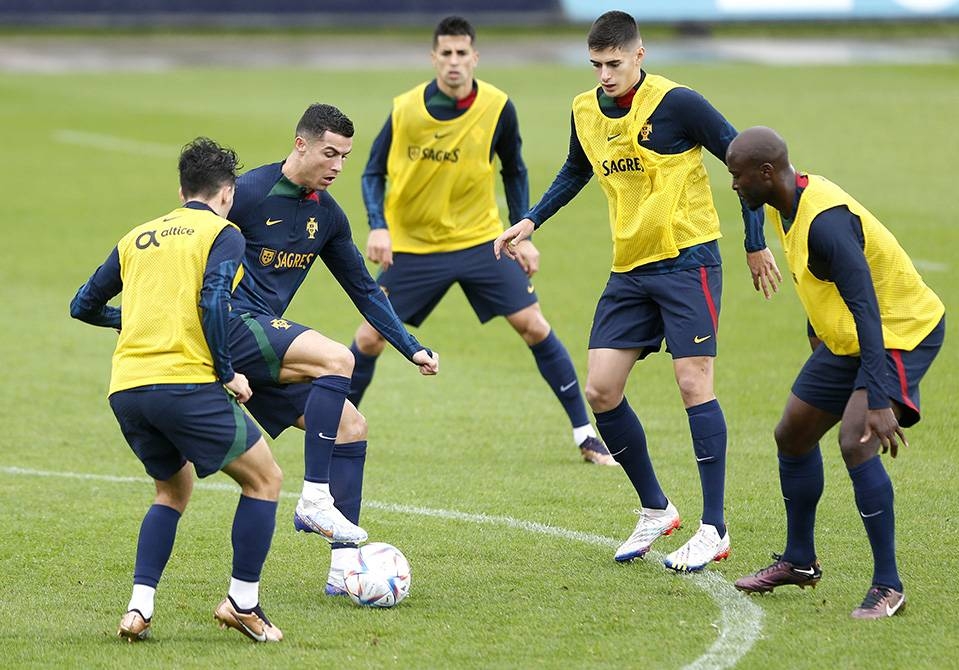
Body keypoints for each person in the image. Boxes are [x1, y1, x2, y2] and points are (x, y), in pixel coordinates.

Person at [495, 10, 782, 571]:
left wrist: (754, 241)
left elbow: (744, 164)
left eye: (615, 64)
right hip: (630, 267)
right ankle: (655, 508)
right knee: (601, 390)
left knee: (693, 381)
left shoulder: (680, 104)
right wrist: (531, 220)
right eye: (597, 65)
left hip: (688, 257)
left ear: (640, 54)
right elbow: (576, 170)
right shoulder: (584, 109)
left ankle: (714, 528)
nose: (605, 74)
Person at [348, 15, 615, 466]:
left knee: (534, 325)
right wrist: (378, 224)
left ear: (475, 56)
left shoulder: (497, 106)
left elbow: (515, 170)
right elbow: (373, 171)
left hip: (481, 243)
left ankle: (586, 435)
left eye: (461, 53)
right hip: (415, 247)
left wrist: (523, 230)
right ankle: (340, 425)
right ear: (434, 58)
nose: (454, 62)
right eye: (446, 54)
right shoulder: (405, 109)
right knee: (370, 337)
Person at [71, 137, 285, 642]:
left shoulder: (138, 235)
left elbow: (82, 305)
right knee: (265, 480)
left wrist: (138, 319)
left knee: (173, 488)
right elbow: (214, 302)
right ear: (228, 193)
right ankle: (243, 603)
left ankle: (138, 609)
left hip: (127, 389)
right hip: (183, 382)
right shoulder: (222, 233)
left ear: (181, 188)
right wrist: (228, 371)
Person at [726, 126, 944, 619]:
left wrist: (879, 398)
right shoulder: (787, 203)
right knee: (793, 434)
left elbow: (867, 305)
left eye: (738, 176)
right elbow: (819, 283)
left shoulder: (825, 222)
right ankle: (800, 561)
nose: (734, 186)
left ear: (765, 173)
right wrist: (816, 336)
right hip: (848, 337)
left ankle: (889, 585)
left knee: (855, 438)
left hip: (900, 331)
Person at [225, 103, 438, 598]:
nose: (338, 165)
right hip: (233, 327)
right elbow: (190, 243)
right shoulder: (248, 194)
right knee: (338, 358)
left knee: (351, 426)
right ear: (300, 144)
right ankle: (315, 498)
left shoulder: (327, 214)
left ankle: (344, 570)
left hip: (263, 348)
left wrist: (411, 347)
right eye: (329, 153)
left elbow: (365, 289)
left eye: (344, 155)